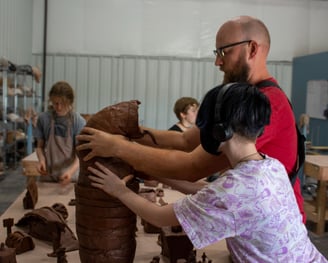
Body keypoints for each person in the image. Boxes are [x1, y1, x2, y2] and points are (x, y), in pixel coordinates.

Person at [76, 15, 305, 222]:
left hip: (274, 236)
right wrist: (127, 129)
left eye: (224, 52)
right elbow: (186, 140)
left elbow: (192, 166)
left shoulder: (267, 104)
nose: (218, 62)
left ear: (252, 49)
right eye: (217, 53)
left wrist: (117, 147)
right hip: (251, 232)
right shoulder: (240, 99)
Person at [87, 83, 326, 262]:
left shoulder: (233, 191)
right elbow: (213, 194)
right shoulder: (270, 166)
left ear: (219, 130)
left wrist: (118, 190)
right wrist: (156, 173)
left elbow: (158, 216)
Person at [35, 81, 86, 184]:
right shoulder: (44, 119)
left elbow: (81, 155)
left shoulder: (77, 121)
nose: (58, 107)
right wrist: (41, 160)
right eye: (55, 103)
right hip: (48, 175)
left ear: (70, 102)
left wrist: (70, 172)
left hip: (71, 177)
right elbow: (39, 147)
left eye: (63, 104)